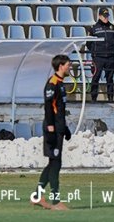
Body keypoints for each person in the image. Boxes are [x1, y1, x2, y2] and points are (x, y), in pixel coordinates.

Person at [31, 54, 71, 211]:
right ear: (61, 66)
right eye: (68, 64)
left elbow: (59, 109)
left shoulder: (61, 83)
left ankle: (37, 196)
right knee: (55, 163)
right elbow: (48, 108)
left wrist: (65, 128)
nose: (70, 67)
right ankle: (55, 201)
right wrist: (52, 129)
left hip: (59, 127)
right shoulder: (52, 83)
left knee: (53, 162)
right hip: (52, 128)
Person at [87, 7, 114, 103]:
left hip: (110, 57)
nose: (106, 18)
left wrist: (111, 51)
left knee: (110, 79)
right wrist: (95, 53)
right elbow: (88, 43)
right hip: (98, 58)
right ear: (99, 16)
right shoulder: (93, 28)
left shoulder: (113, 27)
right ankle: (93, 99)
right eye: (104, 16)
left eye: (107, 16)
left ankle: (111, 99)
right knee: (95, 78)